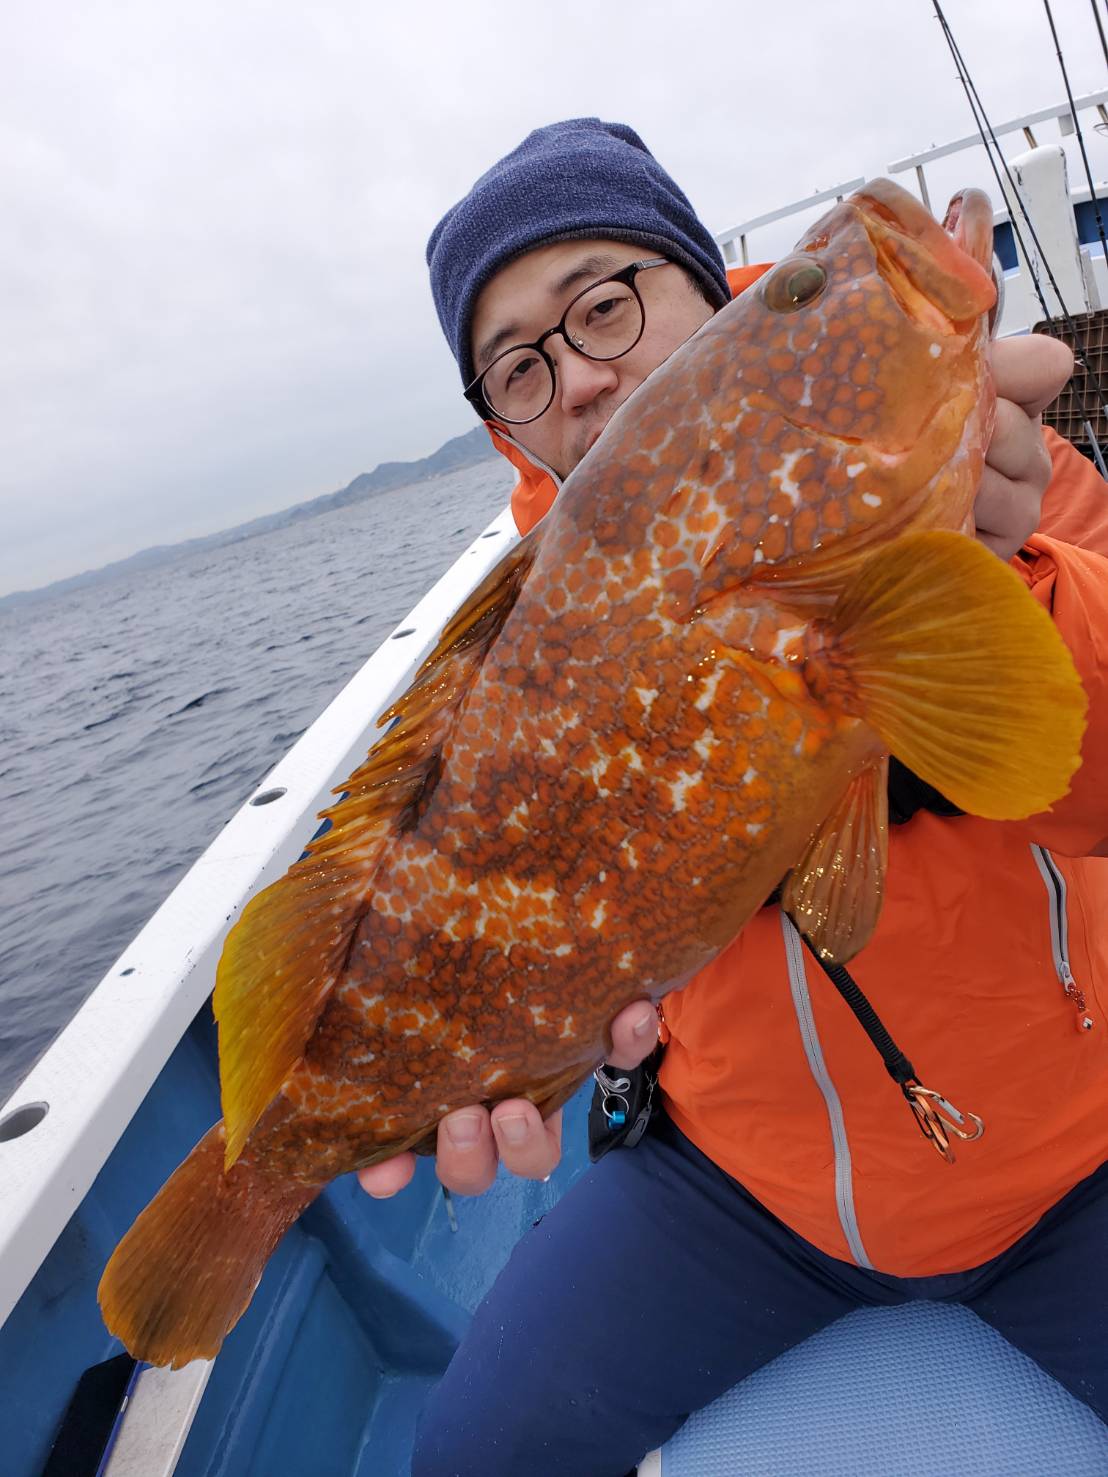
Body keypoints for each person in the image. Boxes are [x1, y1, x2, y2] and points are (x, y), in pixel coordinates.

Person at [362, 119, 1108, 1475]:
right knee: (471, 1453)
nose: (582, 377)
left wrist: (1000, 587)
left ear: (708, 289)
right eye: (521, 368)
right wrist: (505, 1033)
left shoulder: (979, 463)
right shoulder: (530, 653)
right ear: (503, 423)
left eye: (604, 303)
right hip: (742, 1194)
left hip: (1078, 1157)